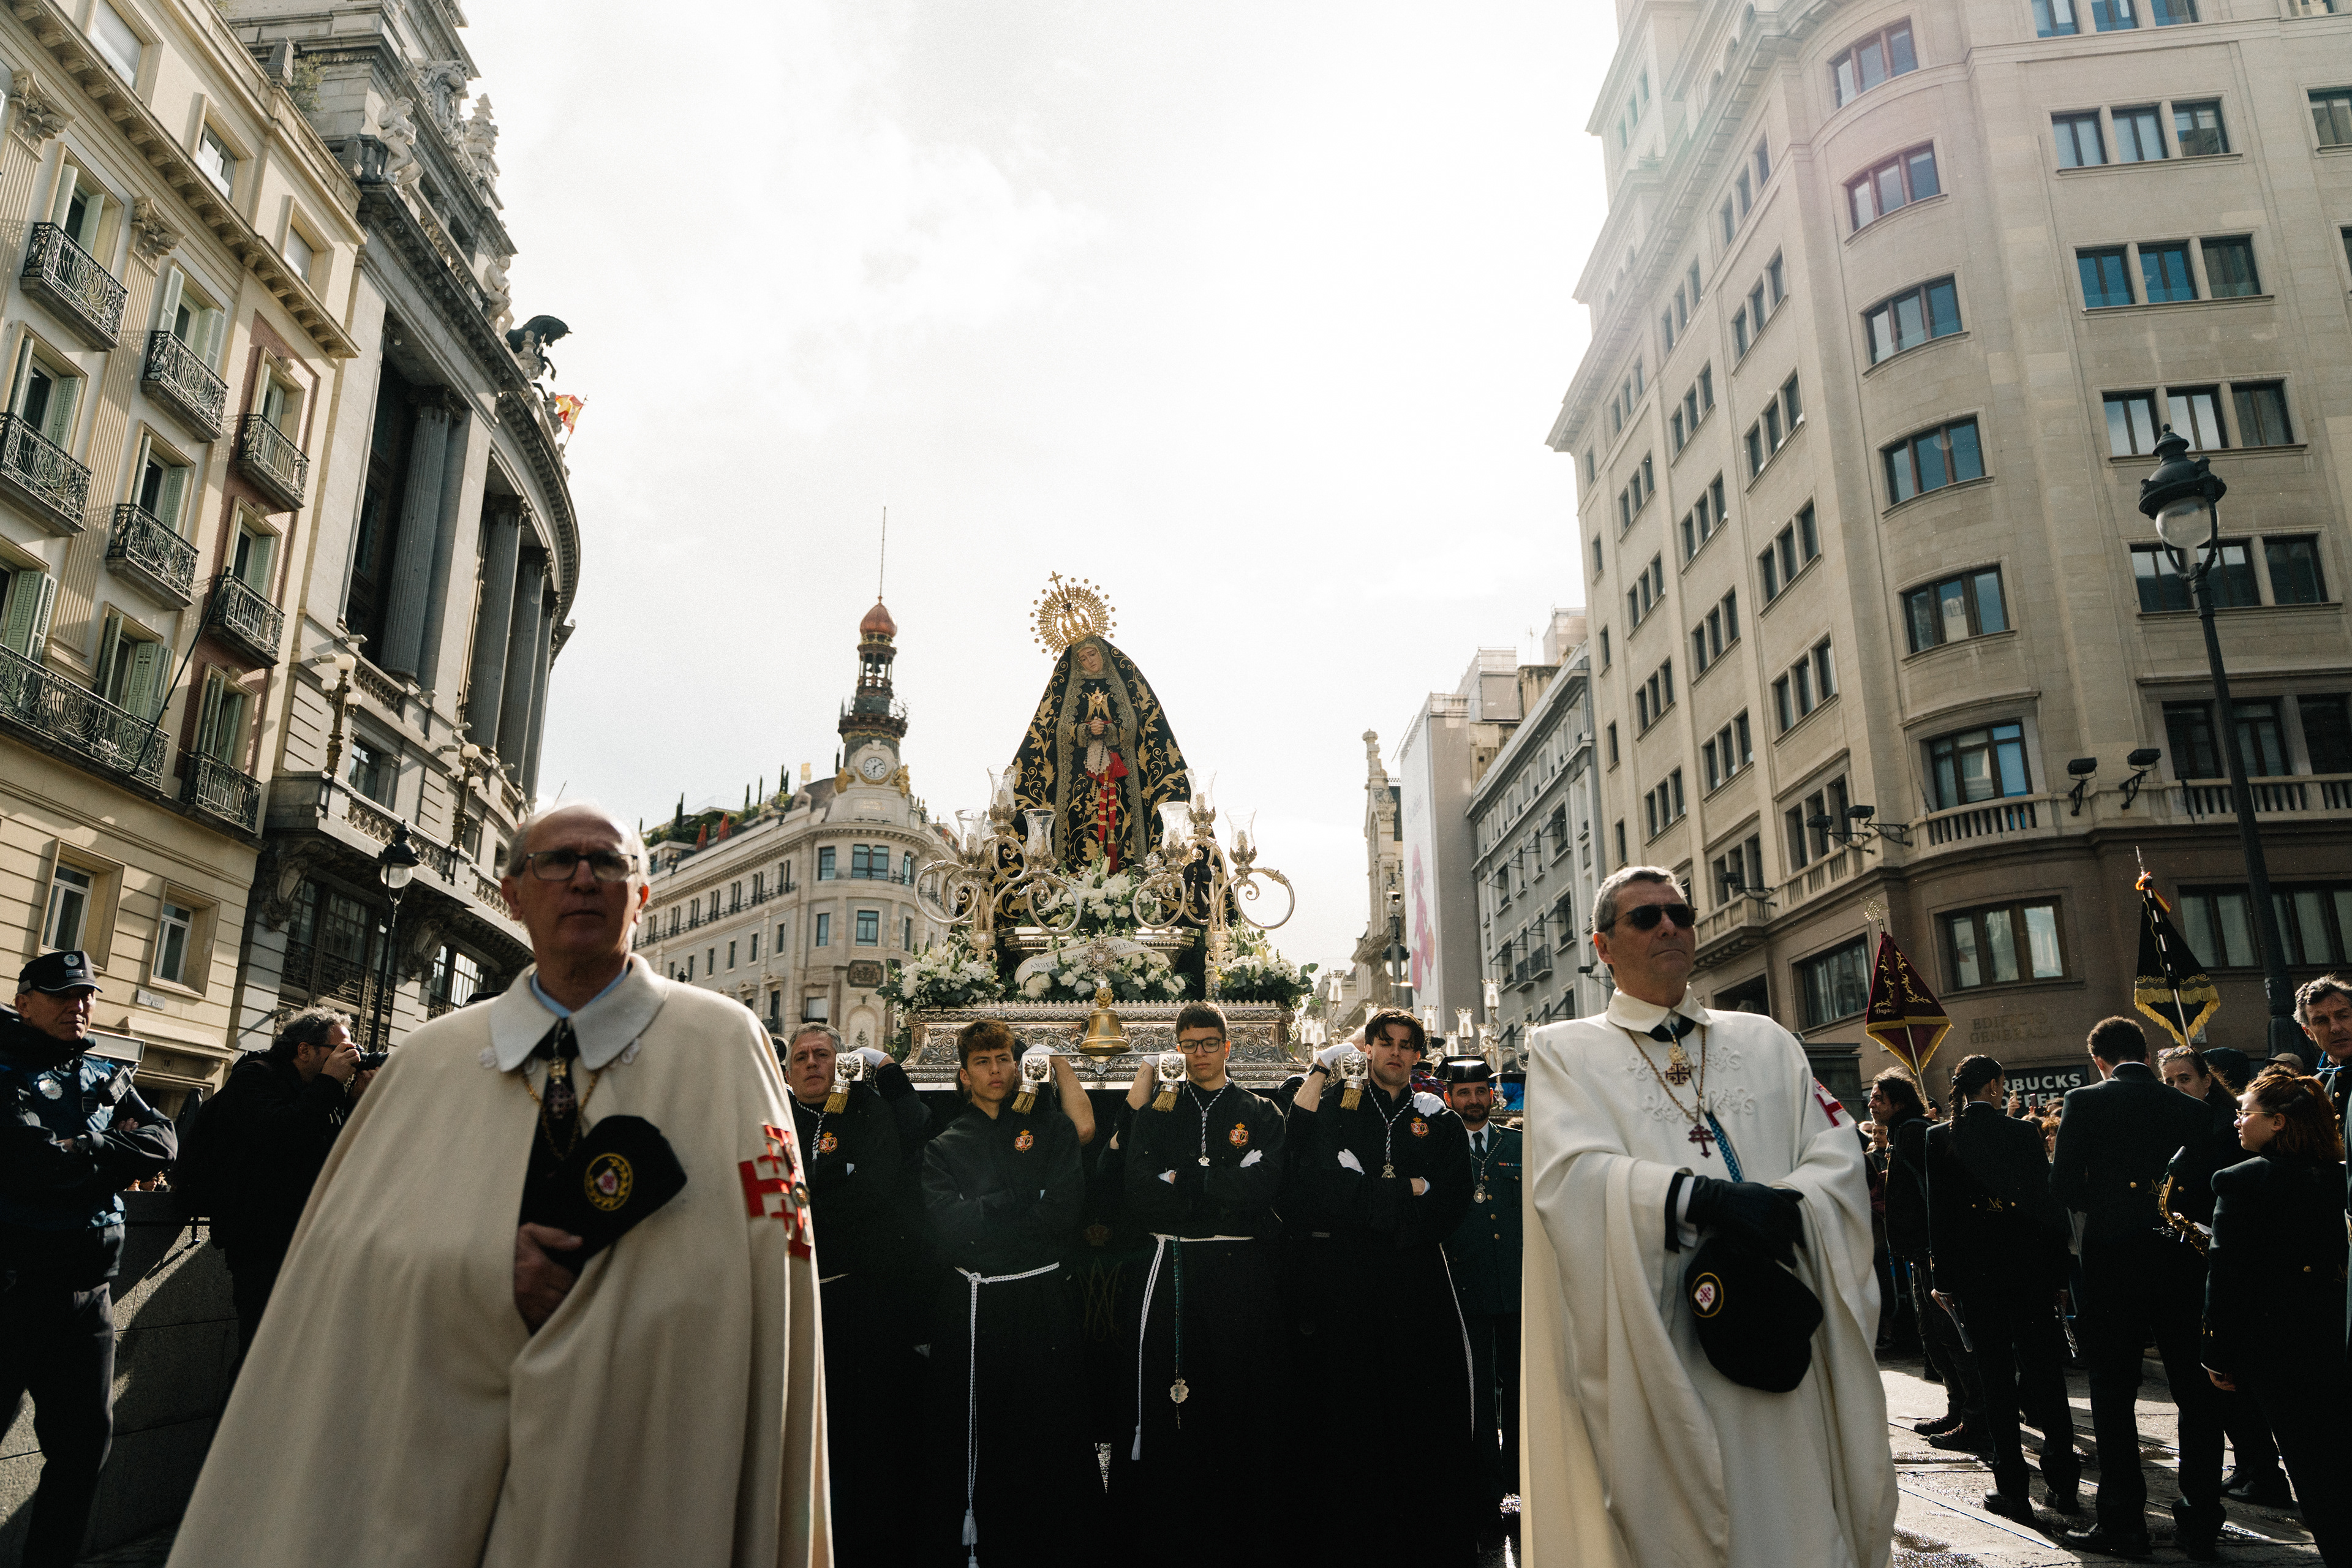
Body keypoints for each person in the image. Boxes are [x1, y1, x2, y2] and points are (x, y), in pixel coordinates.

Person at [168, 802, 829, 1568]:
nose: (584, 878)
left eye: (609, 863)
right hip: (430, 1455)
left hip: (650, 1445)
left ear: (642, 897)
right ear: (512, 895)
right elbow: (341, 1269)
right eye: (557, 861)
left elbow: (767, 1266)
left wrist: (618, 1301)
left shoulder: (722, 1044)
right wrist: (485, 1268)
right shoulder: (428, 1061)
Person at [1520, 867, 1896, 1568]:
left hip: (1777, 1315)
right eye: (1645, 918)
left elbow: (1837, 1152)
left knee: (1795, 1508)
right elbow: (1569, 1177)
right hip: (1664, 1334)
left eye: (1679, 912)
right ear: (1603, 946)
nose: (1668, 925)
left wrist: (1791, 1205)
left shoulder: (1767, 1041)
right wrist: (1703, 1199)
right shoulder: (1566, 1049)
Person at [0, 950, 176, 1568]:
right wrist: (111, 1159)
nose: (79, 1005)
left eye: (87, 995)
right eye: (62, 994)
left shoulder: (103, 1072)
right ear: (24, 1001)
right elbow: (32, 1160)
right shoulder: (6, 1068)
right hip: (16, 1290)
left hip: (89, 1297)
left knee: (83, 1454)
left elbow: (164, 1140)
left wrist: (94, 1145)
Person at [1292, 1006, 1479, 1567]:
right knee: (1354, 1402)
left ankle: (1424, 1529)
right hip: (1351, 1277)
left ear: (1419, 1056)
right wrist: (1407, 1192)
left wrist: (1375, 1197)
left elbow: (1452, 1199)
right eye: (1385, 1042)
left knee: (1419, 1403)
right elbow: (1321, 1186)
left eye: (1406, 1045)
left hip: (1419, 1274)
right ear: (1368, 1049)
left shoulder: (1438, 1118)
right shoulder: (1340, 1110)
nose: (1396, 1053)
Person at [1106, 1001, 1285, 1566]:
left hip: (1240, 1272)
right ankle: (1173, 1529)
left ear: (1229, 1047)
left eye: (1209, 1043)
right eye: (1189, 1045)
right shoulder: (1159, 1112)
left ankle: (1240, 1528)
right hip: (1175, 1266)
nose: (1199, 1054)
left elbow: (1264, 1189)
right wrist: (1223, 1181)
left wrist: (1184, 1178)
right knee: (1173, 1398)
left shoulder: (1261, 1112)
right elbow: (1139, 1191)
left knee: (1238, 1392)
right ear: (1176, 1049)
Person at [919, 1019, 1099, 1567]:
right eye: (983, 1062)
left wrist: (991, 1212)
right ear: (964, 1073)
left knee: (1051, 1430)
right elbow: (949, 1228)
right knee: (986, 1433)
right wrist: (1021, 1201)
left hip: (1042, 1301)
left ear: (1019, 1065)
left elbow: (1063, 1214)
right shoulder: (944, 1147)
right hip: (978, 1310)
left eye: (1003, 1059)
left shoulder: (1053, 1131)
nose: (995, 1072)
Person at [2051, 1016, 2223, 1559]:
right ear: (2146, 1057)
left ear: (2099, 1060)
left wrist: (2107, 1203)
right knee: (2193, 1392)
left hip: (2114, 1261)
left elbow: (2063, 1186)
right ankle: (2200, 1521)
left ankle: (2123, 1521)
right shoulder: (2195, 1110)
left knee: (2112, 1386)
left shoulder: (2086, 1102)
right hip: (2181, 1260)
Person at [780, 1022, 927, 1566]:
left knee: (870, 1433)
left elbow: (879, 1183)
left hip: (863, 1299)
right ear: (790, 1071)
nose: (813, 1064)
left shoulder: (864, 1107)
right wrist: (836, 1178)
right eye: (803, 1057)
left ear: (841, 1063)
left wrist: (887, 1069)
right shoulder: (780, 1117)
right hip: (799, 1300)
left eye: (824, 1055)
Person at [2203, 1069, 2352, 1565]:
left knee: (2312, 1468)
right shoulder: (2339, 1176)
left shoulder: (2242, 1180)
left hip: (2278, 1346)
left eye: (2246, 1113)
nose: (2237, 1122)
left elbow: (2226, 1277)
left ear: (2280, 1123)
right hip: (2337, 1333)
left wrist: (2216, 1353)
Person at [1924, 1055, 2081, 1523]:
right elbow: (2046, 1207)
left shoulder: (1940, 1137)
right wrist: (2058, 1278)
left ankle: (2012, 1487)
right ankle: (2064, 1483)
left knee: (1994, 1379)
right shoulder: (2023, 1133)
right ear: (1994, 1086)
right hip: (2028, 1273)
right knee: (2045, 1375)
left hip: (1976, 1279)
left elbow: (1941, 1217)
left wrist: (1943, 1281)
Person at [2157, 1045, 2290, 1509]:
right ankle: (2253, 1464)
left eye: (2185, 1079)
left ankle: (2264, 1471)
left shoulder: (2226, 1128)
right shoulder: (2180, 1122)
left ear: (2207, 1081)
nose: (2177, 1088)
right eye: (2169, 1081)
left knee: (2233, 1376)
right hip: (2198, 1255)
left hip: (2224, 1258)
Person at [192, 1007, 363, 1357]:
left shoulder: (322, 1094)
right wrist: (331, 1084)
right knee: (260, 1355)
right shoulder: (255, 1079)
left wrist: (358, 1100)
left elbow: (340, 1157)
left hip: (307, 1242)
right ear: (305, 1050)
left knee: (298, 1357)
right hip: (261, 1244)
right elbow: (281, 1133)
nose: (350, 1058)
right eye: (340, 1051)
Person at [1874, 1068, 1983, 1447]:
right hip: (1920, 1252)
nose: (1872, 1104)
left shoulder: (1913, 1131)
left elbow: (1934, 1193)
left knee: (1950, 1334)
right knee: (1933, 1334)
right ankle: (1958, 1409)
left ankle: (1975, 1419)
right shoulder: (1902, 1133)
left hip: (1931, 1252)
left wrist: (1935, 1249)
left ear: (1898, 1102)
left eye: (1878, 1097)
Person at [1441, 1054, 1522, 1545]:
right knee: (1475, 1399)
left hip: (1514, 1289)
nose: (1473, 1101)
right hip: (1464, 1290)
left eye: (1480, 1092)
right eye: (1463, 1093)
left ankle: (1518, 1488)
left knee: (1518, 1394)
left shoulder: (1518, 1143)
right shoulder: (1440, 1147)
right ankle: (1486, 1491)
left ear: (1493, 1095)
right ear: (1450, 1097)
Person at [2300, 974, 2352, 1124]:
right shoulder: (2313, 1092)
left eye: (2343, 1016)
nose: (2335, 1028)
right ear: (2308, 1032)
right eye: (2321, 1021)